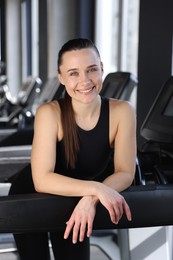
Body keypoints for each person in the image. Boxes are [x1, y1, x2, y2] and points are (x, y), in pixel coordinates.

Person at [9, 38, 136, 260]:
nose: (85, 81)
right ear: (61, 77)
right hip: (30, 200)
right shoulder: (49, 113)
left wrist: (91, 198)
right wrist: (96, 189)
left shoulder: (122, 112)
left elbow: (125, 171)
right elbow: (42, 179)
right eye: (73, 73)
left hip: (75, 200)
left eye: (91, 70)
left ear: (102, 69)